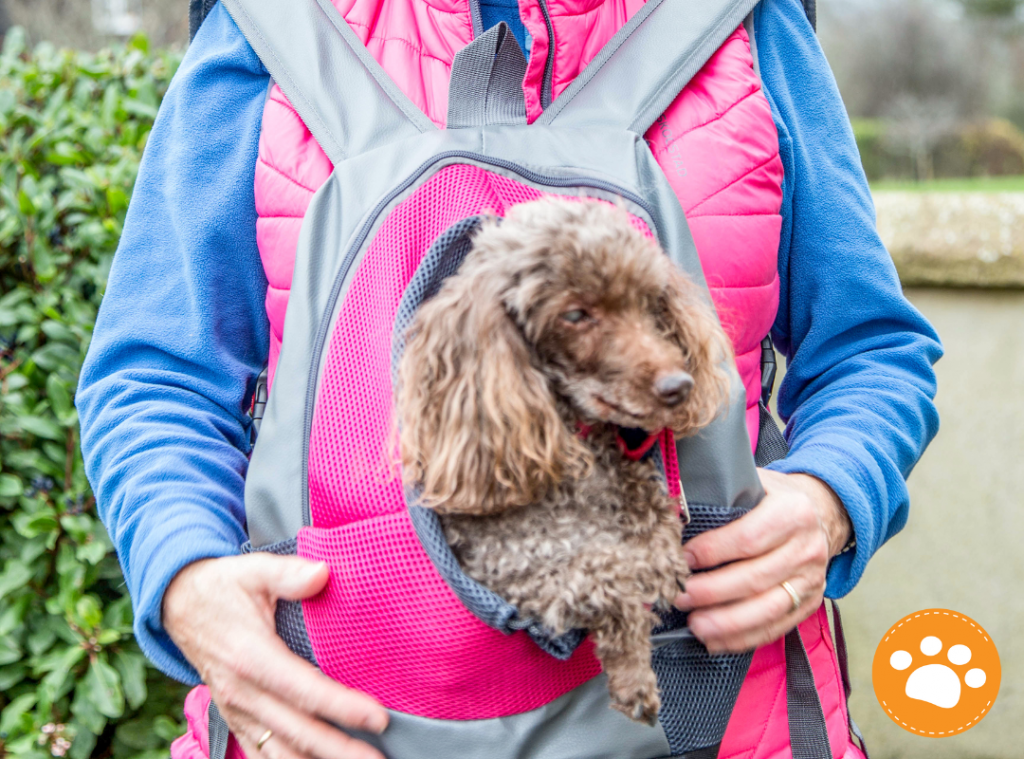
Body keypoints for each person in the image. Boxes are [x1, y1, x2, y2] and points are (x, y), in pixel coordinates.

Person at [76, 0, 942, 757]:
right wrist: (187, 579)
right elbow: (157, 377)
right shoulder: (267, 25)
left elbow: (870, 349)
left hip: (720, 713)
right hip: (331, 720)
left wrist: (831, 497)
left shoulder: (745, 24)